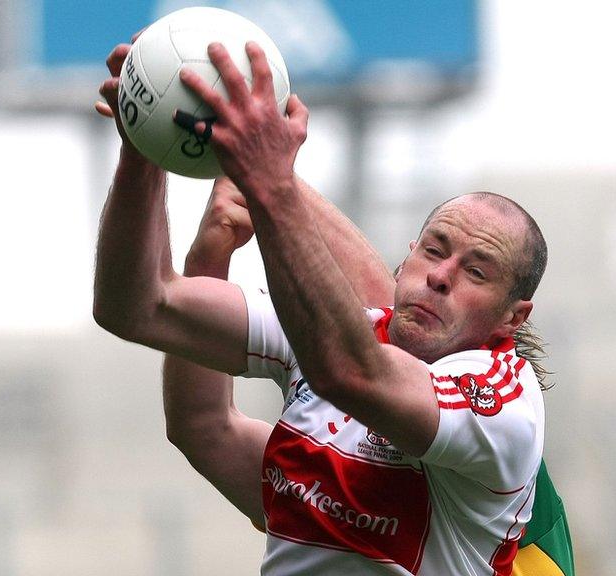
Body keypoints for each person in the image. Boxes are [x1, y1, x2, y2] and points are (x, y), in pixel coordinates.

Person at [94, 36, 573, 574]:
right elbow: (137, 306)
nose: (441, 276)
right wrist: (145, 145)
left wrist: (271, 182)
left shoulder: (504, 402)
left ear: (514, 317)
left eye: (477, 272)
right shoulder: (337, 341)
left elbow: (350, 371)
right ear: (406, 258)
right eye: (435, 251)